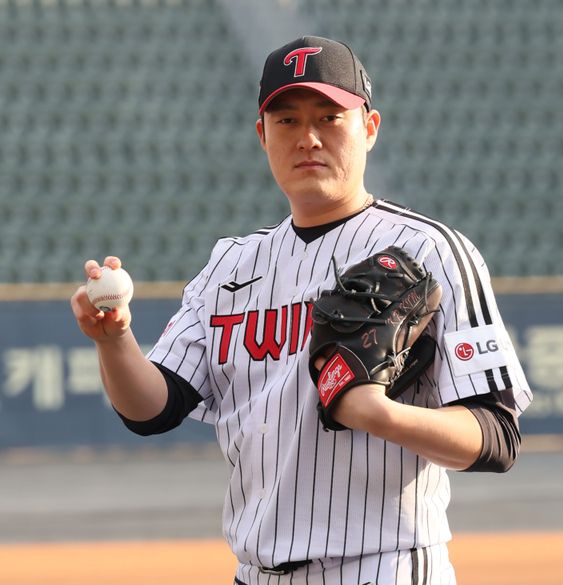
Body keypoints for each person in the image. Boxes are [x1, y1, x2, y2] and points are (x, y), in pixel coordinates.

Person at [71, 35, 532, 585]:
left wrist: (377, 413)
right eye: (287, 120)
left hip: (382, 568)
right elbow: (153, 410)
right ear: (262, 135)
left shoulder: (431, 251)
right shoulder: (230, 264)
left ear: (370, 128)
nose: (308, 137)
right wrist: (114, 340)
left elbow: (496, 437)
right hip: (256, 573)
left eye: (329, 117)